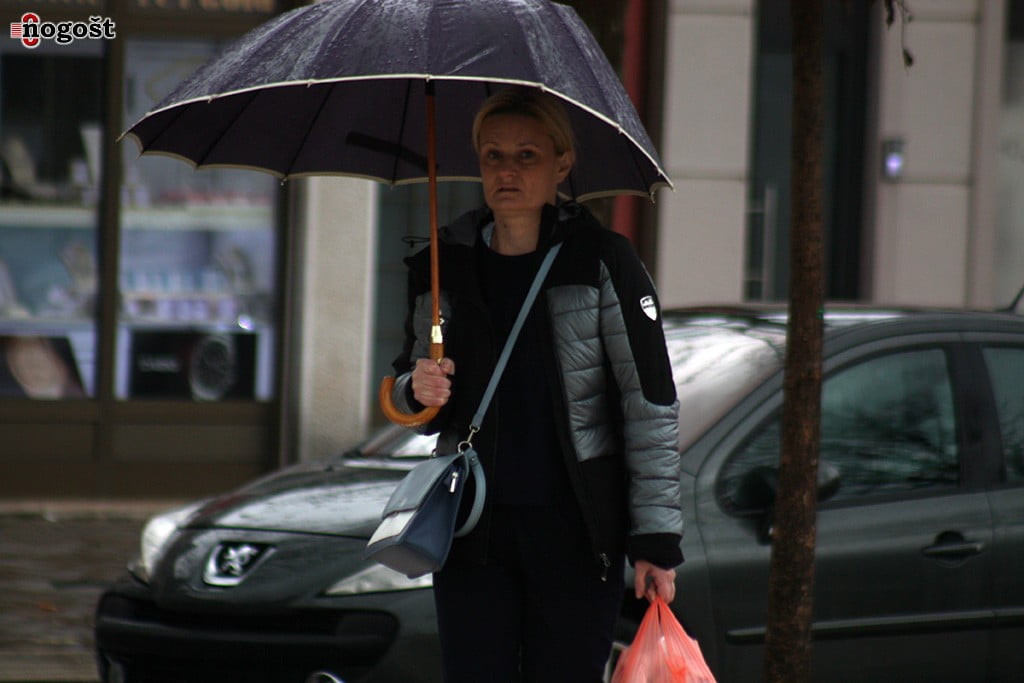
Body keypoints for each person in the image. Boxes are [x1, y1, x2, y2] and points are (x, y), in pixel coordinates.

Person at [388, 86, 682, 682]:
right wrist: (417, 391)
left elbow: (648, 402)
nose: (508, 171)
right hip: (471, 527)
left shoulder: (601, 261)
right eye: (493, 155)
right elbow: (407, 388)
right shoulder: (444, 264)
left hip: (576, 534)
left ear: (562, 164)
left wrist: (655, 541)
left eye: (527, 155)